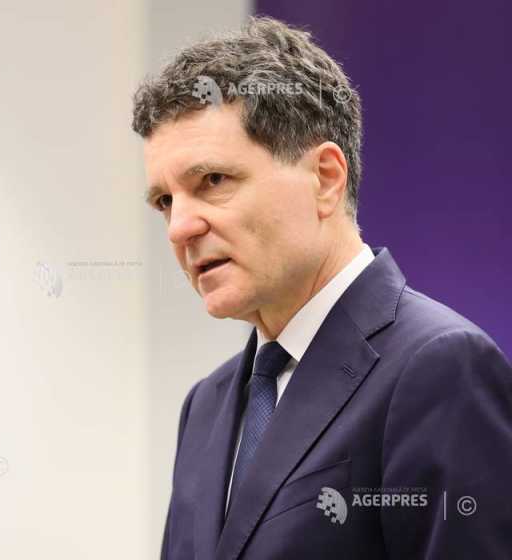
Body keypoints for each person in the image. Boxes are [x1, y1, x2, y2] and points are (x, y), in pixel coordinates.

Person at [131, 16, 512, 560]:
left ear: (326, 178)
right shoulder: (205, 405)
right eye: (165, 201)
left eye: (212, 181)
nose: (180, 228)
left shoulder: (439, 367)